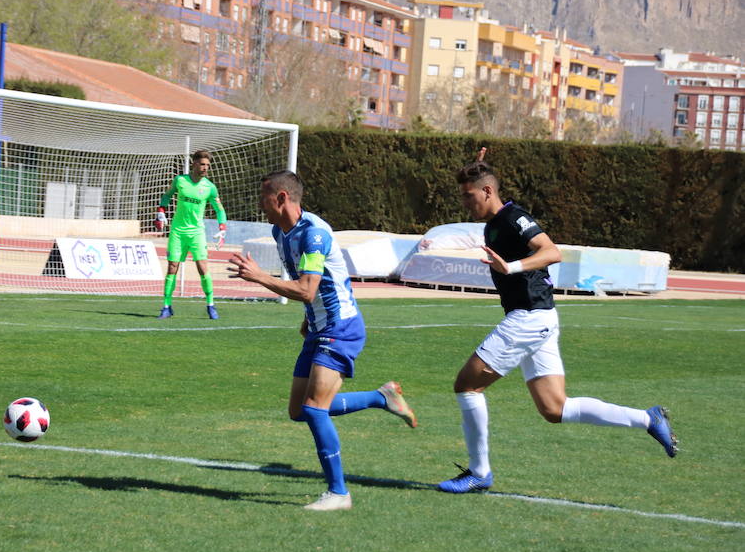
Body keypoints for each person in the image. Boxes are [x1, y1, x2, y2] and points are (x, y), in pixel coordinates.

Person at [438, 154, 678, 494]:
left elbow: (551, 251)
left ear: (488, 190)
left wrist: (512, 267)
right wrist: (475, 164)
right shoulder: (494, 221)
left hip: (528, 317)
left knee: (466, 385)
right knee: (555, 408)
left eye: (468, 195)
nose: (464, 202)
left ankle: (479, 471)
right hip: (540, 318)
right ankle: (648, 419)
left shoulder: (513, 218)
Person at [228, 170, 418, 511]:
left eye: (264, 198)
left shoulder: (314, 234)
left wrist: (259, 277)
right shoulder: (280, 231)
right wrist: (307, 317)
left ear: (282, 198)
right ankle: (381, 397)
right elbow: (316, 286)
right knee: (299, 411)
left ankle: (339, 492)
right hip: (318, 327)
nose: (261, 206)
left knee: (315, 409)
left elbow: (306, 288)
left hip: (341, 328)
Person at [154, 150, 227, 320]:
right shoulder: (180, 181)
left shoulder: (209, 187)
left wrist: (222, 227)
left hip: (197, 233)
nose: (205, 168)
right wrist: (161, 211)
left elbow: (219, 209)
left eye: (208, 165)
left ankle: (210, 305)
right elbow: (166, 196)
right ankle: (166, 306)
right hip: (177, 232)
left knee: (202, 268)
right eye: (202, 164)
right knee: (172, 267)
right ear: (194, 164)